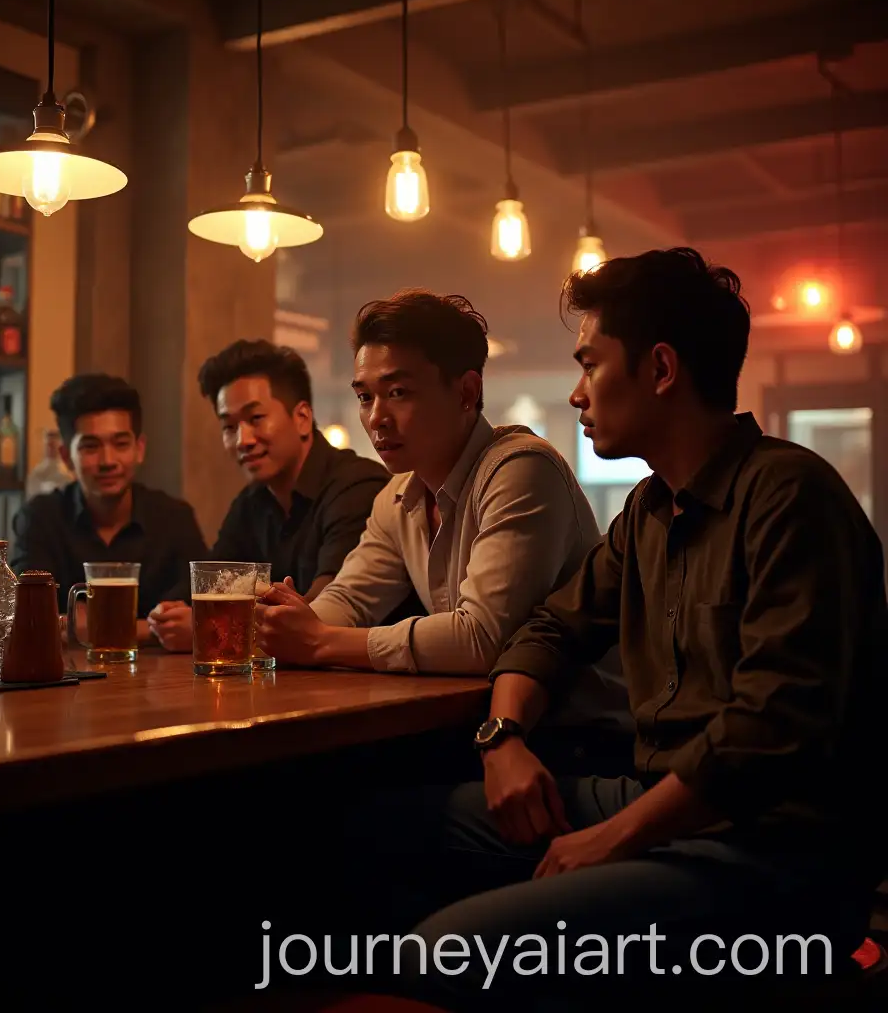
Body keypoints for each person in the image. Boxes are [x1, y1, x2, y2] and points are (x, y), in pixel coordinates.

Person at [364, 248, 887, 1009]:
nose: (576, 394)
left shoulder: (790, 496)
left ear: (662, 369)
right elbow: (548, 630)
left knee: (441, 954)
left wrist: (611, 840)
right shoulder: (648, 511)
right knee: (373, 828)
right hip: (653, 805)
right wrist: (503, 739)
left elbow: (770, 735)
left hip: (769, 854)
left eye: (590, 364)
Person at [255, 289, 631, 769]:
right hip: (490, 734)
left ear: (466, 393)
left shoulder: (520, 469)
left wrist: (320, 641)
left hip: (582, 741)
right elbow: (348, 600)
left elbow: (482, 638)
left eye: (398, 393)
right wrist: (286, 624)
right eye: (366, 397)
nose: (376, 419)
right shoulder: (399, 496)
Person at [147, 339, 417, 651]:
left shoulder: (357, 486)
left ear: (302, 418)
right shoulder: (251, 503)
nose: (243, 440)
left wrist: (208, 629)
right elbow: (206, 586)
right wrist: (164, 617)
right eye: (229, 426)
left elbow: (320, 613)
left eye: (256, 418)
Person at [12, 374, 207, 644]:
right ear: (67, 457)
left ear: (139, 449)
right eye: (90, 447)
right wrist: (149, 629)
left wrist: (88, 627)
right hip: (68, 680)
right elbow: (34, 618)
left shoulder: (174, 517)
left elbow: (193, 617)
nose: (108, 461)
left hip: (160, 683)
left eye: (121, 444)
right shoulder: (40, 518)